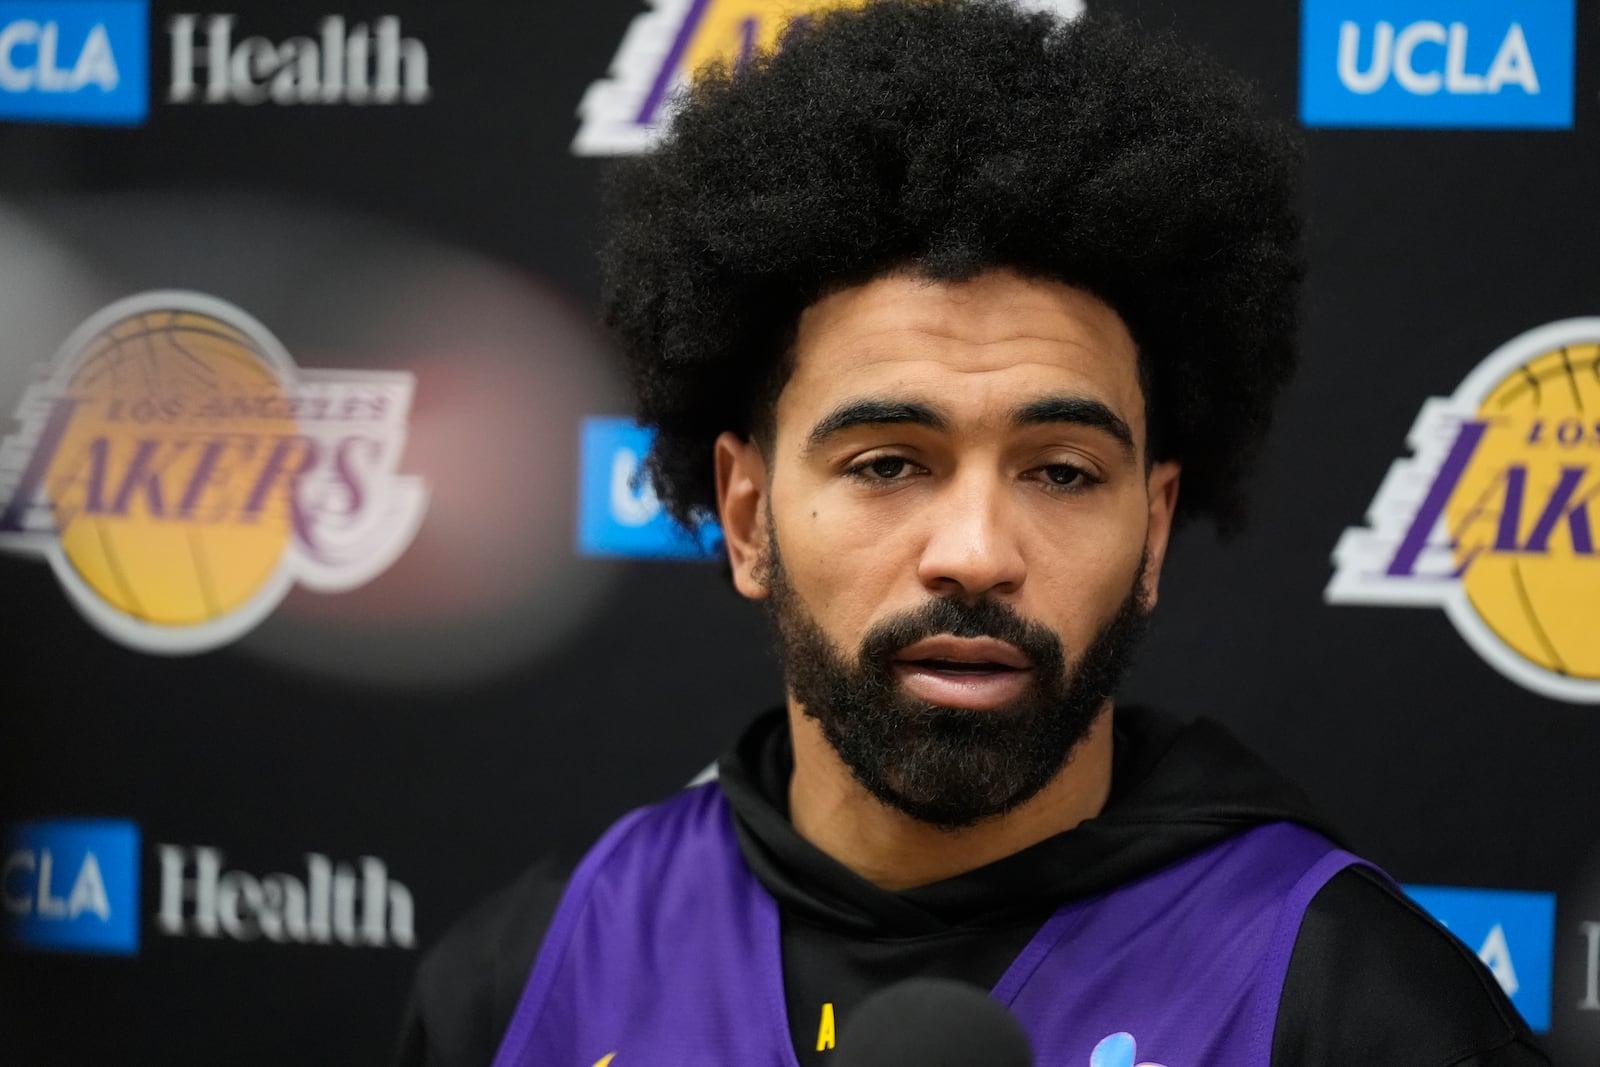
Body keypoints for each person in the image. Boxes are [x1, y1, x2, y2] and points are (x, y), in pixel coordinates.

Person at [397, 2, 1548, 1064]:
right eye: (888, 462)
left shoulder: (1351, 1002)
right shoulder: (532, 973)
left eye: (1060, 470)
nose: (977, 550)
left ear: (1150, 532)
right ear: (746, 518)